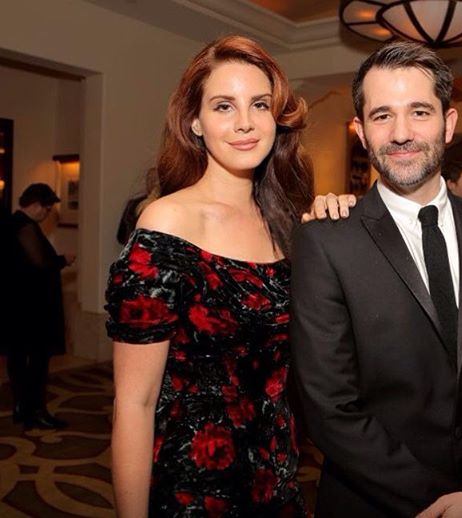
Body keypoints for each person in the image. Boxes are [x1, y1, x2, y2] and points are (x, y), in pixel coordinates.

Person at [291, 41, 462, 518]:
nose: (401, 134)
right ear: (361, 131)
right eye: (382, 116)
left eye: (419, 112)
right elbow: (328, 406)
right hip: (374, 502)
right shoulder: (326, 241)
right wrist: (442, 505)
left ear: (448, 124)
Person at [105, 35, 353, 517]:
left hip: (278, 482)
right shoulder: (168, 224)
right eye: (224, 105)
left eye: (259, 104)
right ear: (194, 122)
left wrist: (338, 230)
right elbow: (134, 402)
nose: (245, 122)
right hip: (193, 490)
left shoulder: (287, 225)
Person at [5, 183, 75, 429]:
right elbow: (40, 264)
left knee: (17, 358)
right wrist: (62, 259)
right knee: (37, 360)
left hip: (15, 305)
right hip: (32, 308)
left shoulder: (10, 223)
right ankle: (35, 410)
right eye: (46, 209)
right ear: (35, 205)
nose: (47, 214)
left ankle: (21, 406)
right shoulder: (24, 225)